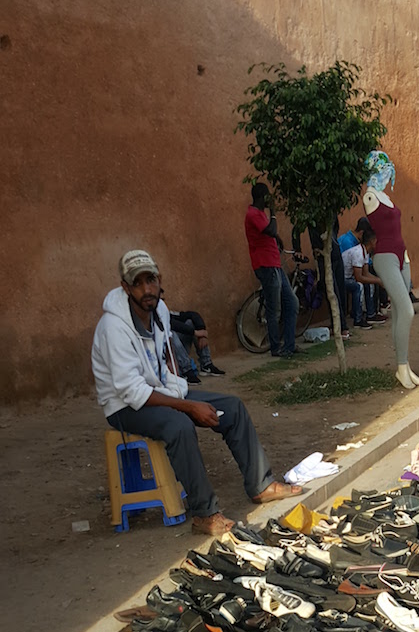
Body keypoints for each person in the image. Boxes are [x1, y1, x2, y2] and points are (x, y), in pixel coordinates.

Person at [92, 250, 300, 537]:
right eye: (137, 283)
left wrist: (183, 397)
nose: (146, 289)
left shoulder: (160, 312)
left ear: (159, 280)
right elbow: (131, 390)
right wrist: (187, 407)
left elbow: (164, 363)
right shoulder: (113, 327)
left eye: (150, 280)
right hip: (124, 407)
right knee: (179, 425)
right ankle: (204, 514)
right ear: (125, 288)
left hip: (160, 391)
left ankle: (261, 485)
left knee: (233, 407)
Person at [363, 150, 419, 390]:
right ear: (379, 169)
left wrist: (406, 257)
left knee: (401, 313)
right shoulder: (370, 197)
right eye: (386, 168)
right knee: (407, 311)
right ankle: (401, 367)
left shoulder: (384, 195)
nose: (390, 172)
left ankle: (405, 367)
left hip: (402, 255)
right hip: (385, 257)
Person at [245, 183, 298, 357]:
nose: (270, 200)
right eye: (268, 197)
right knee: (274, 309)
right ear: (262, 197)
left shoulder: (259, 214)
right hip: (265, 265)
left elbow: (270, 233)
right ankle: (276, 348)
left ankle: (289, 345)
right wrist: (274, 212)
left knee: (292, 302)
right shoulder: (253, 213)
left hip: (274, 264)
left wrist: (278, 239)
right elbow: (270, 229)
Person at [342, 225, 383, 329]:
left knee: (370, 283)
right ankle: (358, 319)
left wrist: (378, 280)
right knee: (358, 286)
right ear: (372, 241)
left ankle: (371, 314)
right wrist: (377, 281)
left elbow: (366, 273)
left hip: (350, 277)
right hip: (343, 279)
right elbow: (359, 277)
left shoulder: (365, 252)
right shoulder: (358, 253)